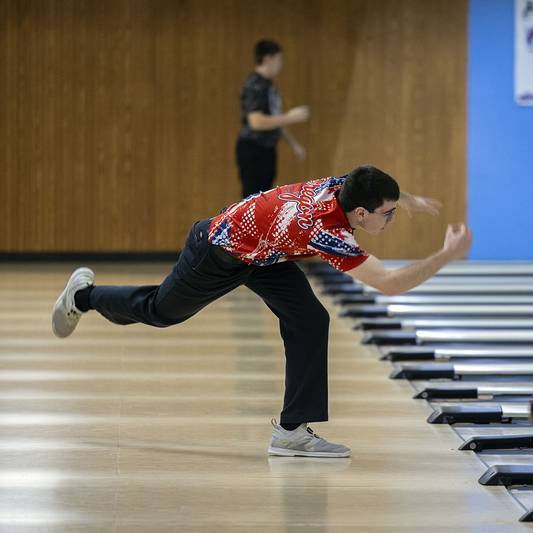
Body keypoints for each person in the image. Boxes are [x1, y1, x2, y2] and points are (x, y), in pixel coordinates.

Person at [51, 165, 472, 458]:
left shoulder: (345, 189)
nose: (393, 218)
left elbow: (365, 181)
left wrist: (409, 199)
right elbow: (391, 283)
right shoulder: (325, 230)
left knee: (310, 319)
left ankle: (291, 432)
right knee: (162, 311)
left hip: (263, 255)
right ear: (360, 213)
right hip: (218, 250)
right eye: (389, 213)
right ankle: (83, 297)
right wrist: (446, 256)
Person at [237, 39, 309, 198]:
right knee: (252, 200)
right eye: (279, 59)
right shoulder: (255, 84)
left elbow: (275, 120)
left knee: (265, 198)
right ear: (268, 59)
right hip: (253, 149)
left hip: (267, 150)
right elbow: (256, 122)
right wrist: (290, 117)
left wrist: (294, 144)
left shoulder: (269, 86)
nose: (280, 65)